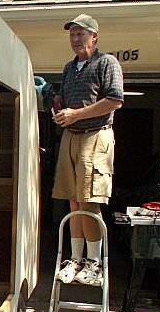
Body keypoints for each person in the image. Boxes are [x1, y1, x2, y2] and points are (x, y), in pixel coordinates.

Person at [51, 14, 124, 286]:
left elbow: (114, 101)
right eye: (72, 34)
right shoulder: (69, 68)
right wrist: (60, 112)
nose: (76, 38)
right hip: (71, 135)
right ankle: (75, 259)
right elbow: (68, 106)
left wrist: (76, 114)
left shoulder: (107, 63)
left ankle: (94, 263)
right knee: (72, 199)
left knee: (89, 200)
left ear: (95, 36)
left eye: (81, 33)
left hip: (96, 135)